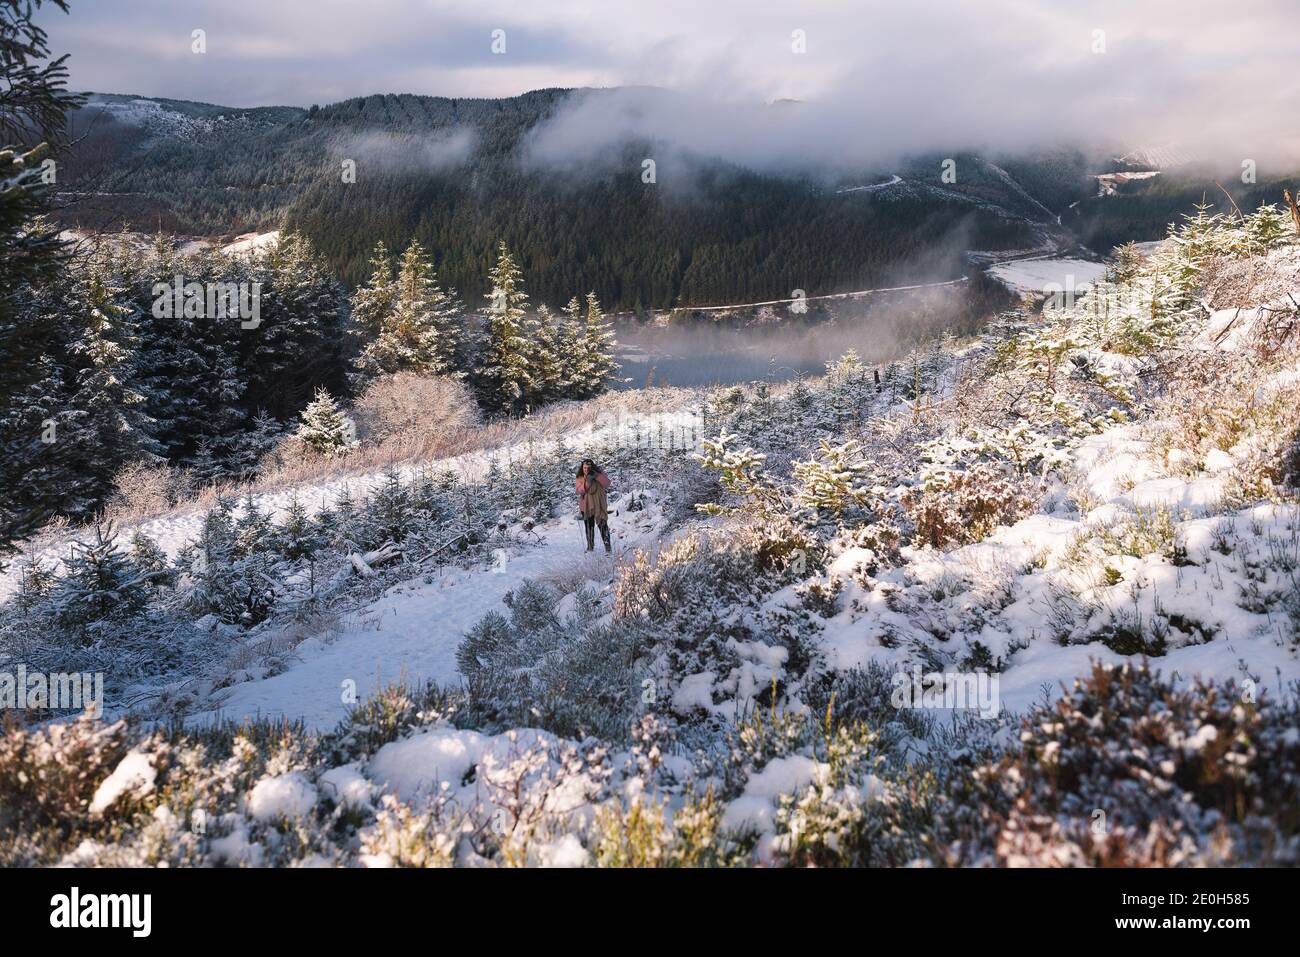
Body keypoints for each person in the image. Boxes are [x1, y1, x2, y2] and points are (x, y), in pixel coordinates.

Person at [575, 458, 611, 553]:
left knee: (603, 525)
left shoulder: (599, 473)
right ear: (582, 468)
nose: (586, 469)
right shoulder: (580, 477)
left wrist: (597, 476)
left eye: (588, 467)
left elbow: (607, 483)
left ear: (593, 467)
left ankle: (608, 548)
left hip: (599, 504)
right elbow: (579, 490)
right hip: (586, 506)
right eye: (585, 467)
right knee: (589, 526)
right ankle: (590, 547)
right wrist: (587, 482)